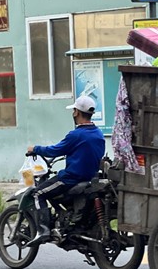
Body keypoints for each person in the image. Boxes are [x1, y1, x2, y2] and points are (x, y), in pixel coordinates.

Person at [26, 95, 105, 246]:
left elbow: (55, 150)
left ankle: (43, 231)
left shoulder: (76, 135)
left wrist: (35, 149)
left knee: (37, 193)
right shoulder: (98, 134)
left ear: (76, 112)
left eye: (74, 110)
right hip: (89, 178)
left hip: (70, 179)